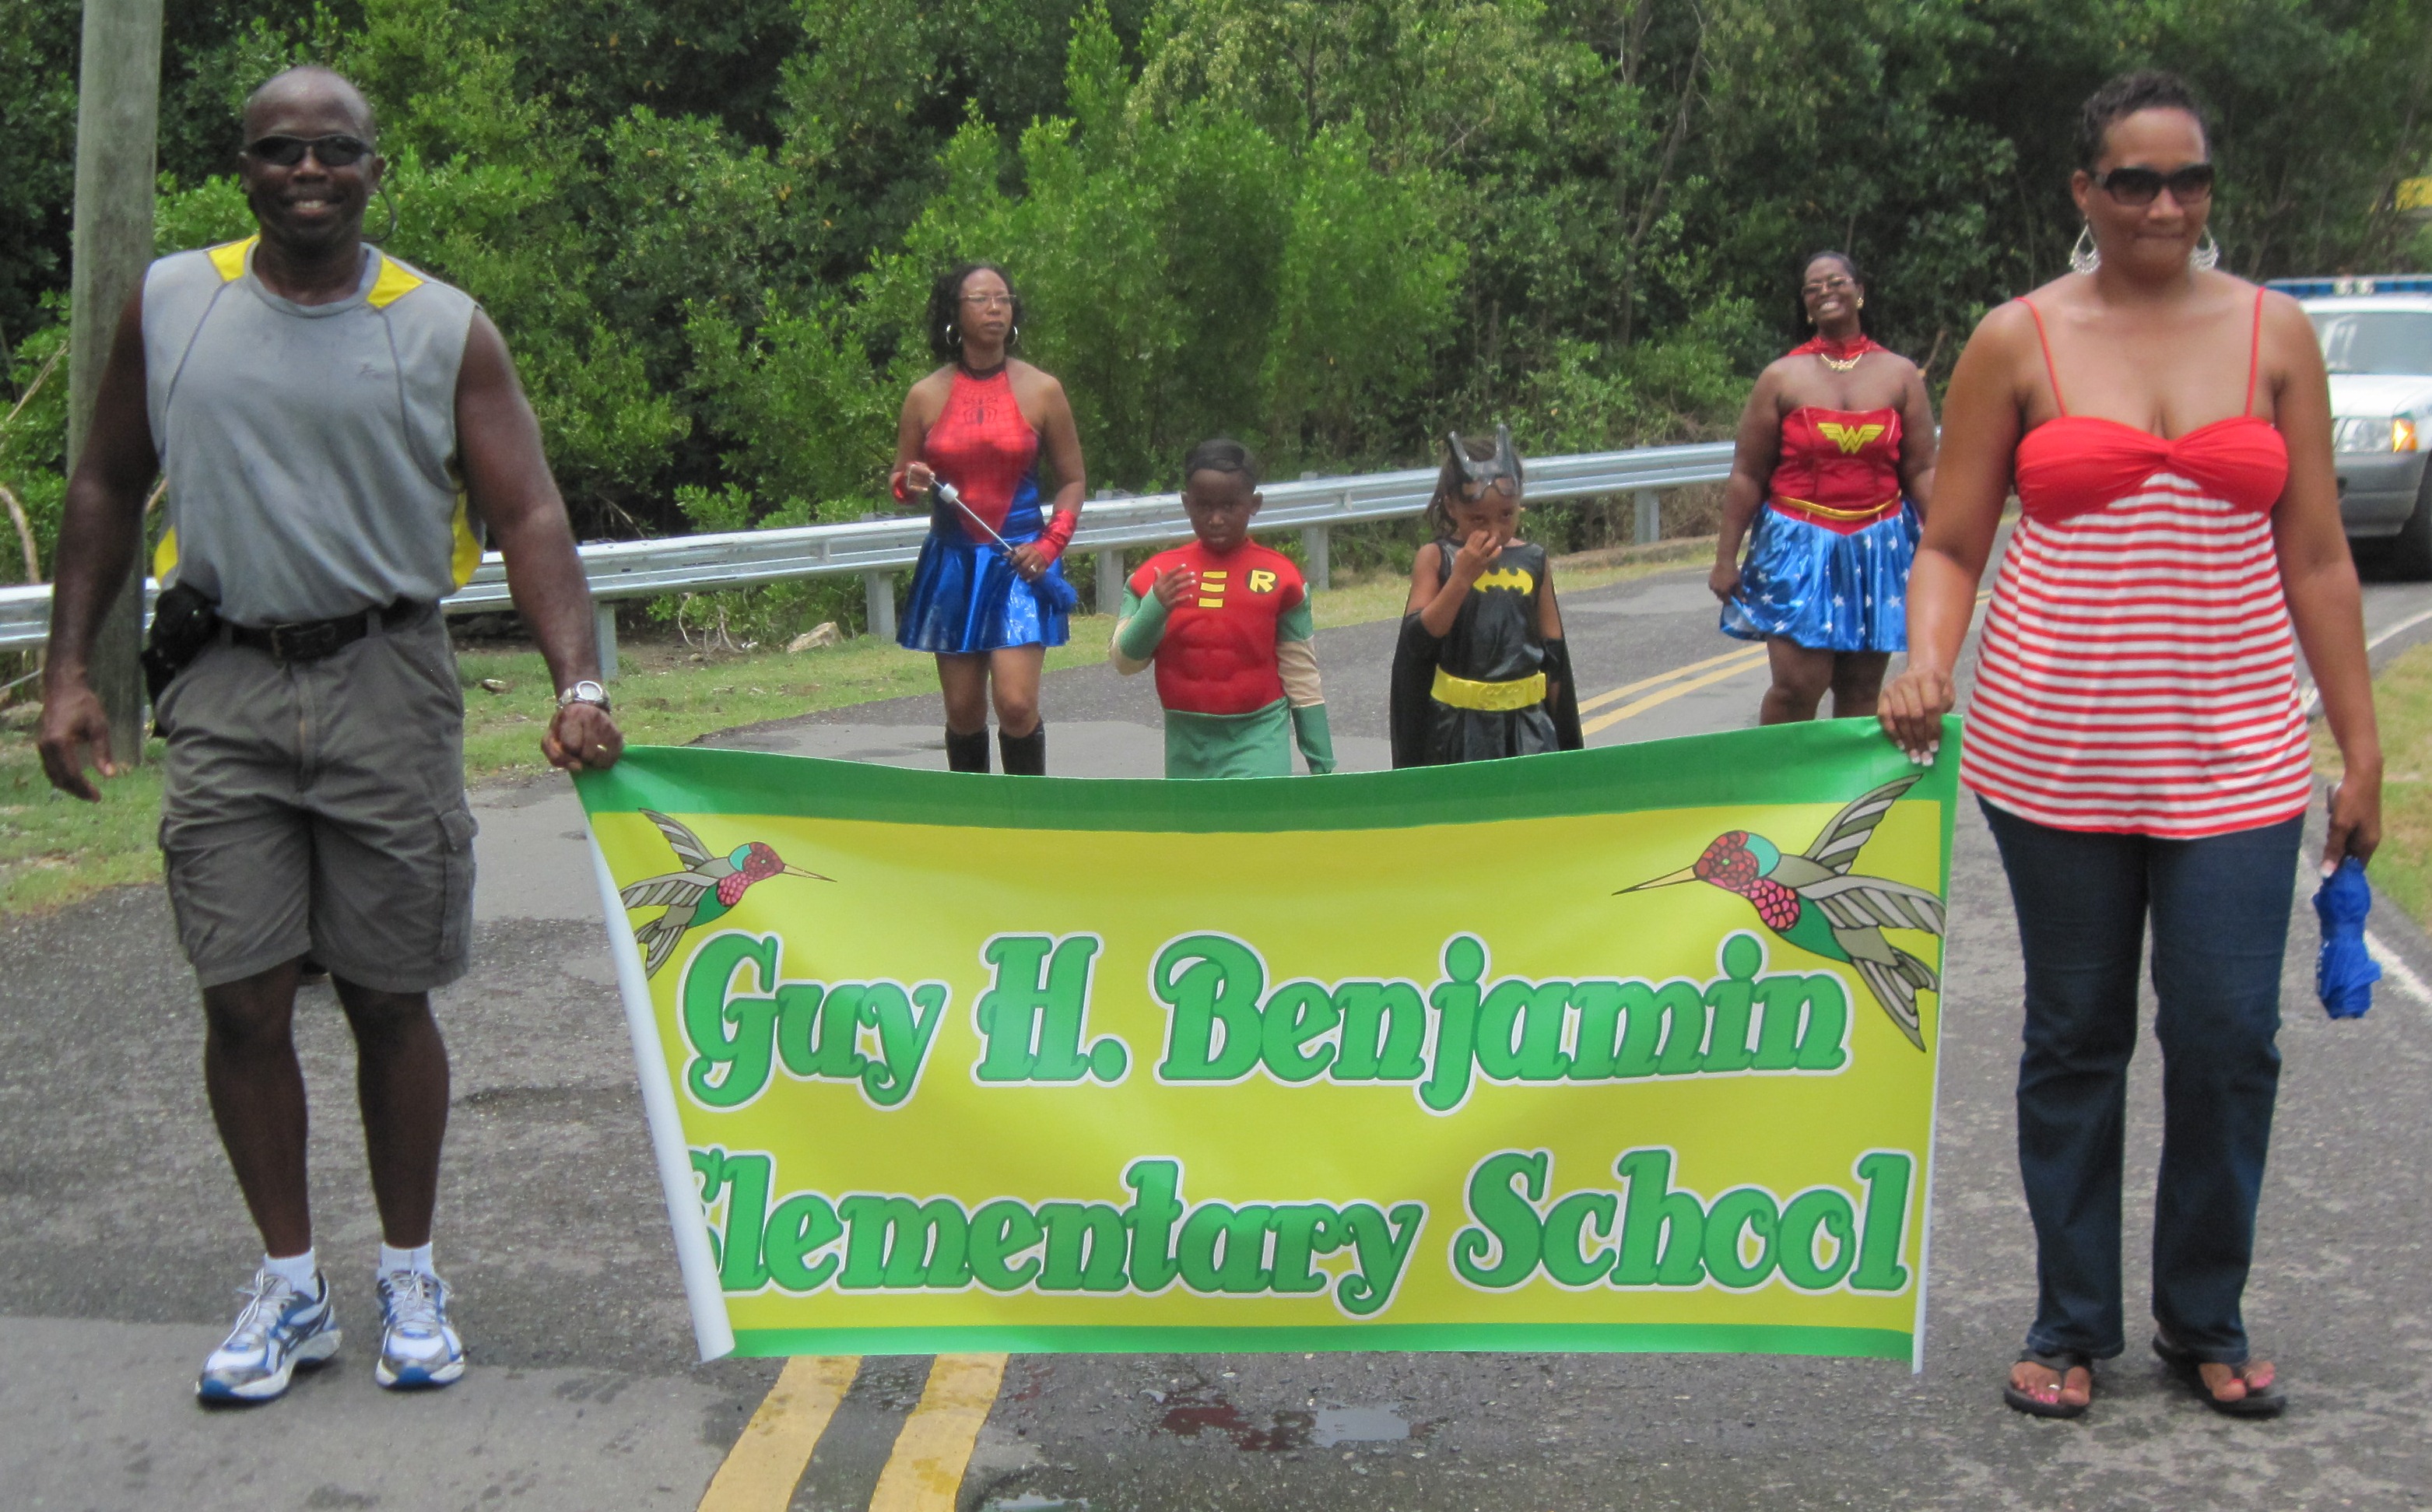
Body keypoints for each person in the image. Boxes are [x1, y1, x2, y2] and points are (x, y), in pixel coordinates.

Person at [35, 66, 623, 1404]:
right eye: (279, 150)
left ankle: (411, 1272)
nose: (308, 170)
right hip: (226, 681)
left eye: (334, 151)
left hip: (386, 676)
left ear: (374, 167)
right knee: (241, 992)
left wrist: (578, 682)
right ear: (242, 169)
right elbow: (108, 480)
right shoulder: (175, 302)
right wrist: (68, 668)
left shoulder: (443, 326)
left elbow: (528, 513)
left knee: (387, 991)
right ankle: (289, 1283)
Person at [1879, 71, 2383, 1421]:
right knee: (2075, 1038)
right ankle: (2071, 1320)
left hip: (2239, 757)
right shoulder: (2016, 339)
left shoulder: (2276, 336)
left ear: (2211, 191)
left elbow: (2322, 558)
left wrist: (2364, 744)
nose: (2166, 204)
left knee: (2228, 1037)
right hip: (2055, 757)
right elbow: (1951, 543)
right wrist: (1925, 652)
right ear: (2083, 191)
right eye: (2136, 180)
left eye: (2189, 180)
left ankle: (2204, 1314)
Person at [1711, 251, 1937, 723]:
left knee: (1859, 694)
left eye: (1836, 282)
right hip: (1796, 545)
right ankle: (1774, 789)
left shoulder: (1899, 374)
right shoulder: (1781, 377)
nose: (1826, 291)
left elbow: (1920, 470)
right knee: (1797, 687)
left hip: (1879, 546)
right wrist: (1725, 558)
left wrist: (1944, 548)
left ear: (1859, 291)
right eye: (1813, 288)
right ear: (1806, 306)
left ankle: (1844, 799)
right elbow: (1748, 473)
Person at [890, 262, 1086, 776]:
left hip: (1020, 561)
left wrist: (1051, 543)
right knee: (963, 710)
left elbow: (1072, 479)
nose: (995, 308)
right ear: (953, 312)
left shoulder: (1043, 390)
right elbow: (902, 480)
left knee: (1016, 704)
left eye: (1003, 298)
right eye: (980, 299)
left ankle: (1030, 819)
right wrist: (907, 481)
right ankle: (972, 822)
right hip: (952, 564)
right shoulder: (924, 395)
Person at [1109, 439, 1335, 777]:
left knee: (1253, 827)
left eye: (1229, 506)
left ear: (1254, 504)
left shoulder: (1283, 578)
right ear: (1187, 504)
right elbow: (1125, 662)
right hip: (1185, 739)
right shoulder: (1153, 577)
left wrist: (1322, 762)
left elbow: (1301, 675)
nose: (1215, 519)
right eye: (1203, 506)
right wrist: (1156, 608)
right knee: (1196, 831)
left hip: (1258, 734)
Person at [1389, 427, 1583, 766]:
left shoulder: (1534, 560)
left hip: (1528, 729)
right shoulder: (1437, 558)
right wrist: (1461, 578)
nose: (1494, 530)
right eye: (1478, 519)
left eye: (1506, 515)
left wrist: (1565, 737)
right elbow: (1417, 643)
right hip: (1459, 730)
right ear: (1451, 506)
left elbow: (1554, 655)